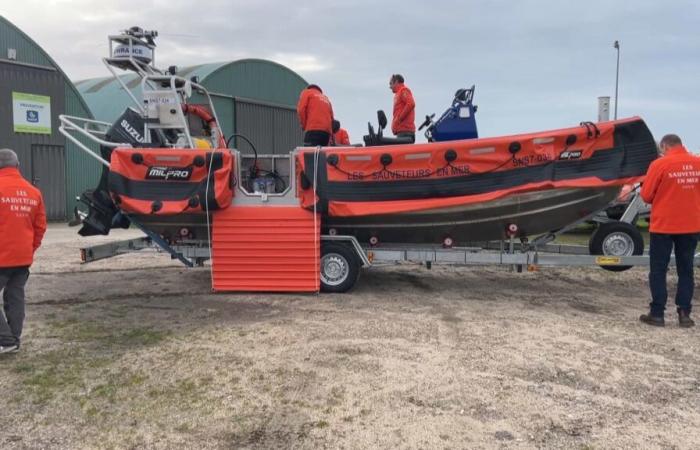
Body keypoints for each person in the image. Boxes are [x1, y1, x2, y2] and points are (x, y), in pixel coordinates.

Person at [639, 134, 700, 328]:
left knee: (658, 269)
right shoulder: (697, 163)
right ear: (681, 145)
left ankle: (657, 313)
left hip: (664, 225)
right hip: (691, 225)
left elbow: (647, 196)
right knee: (686, 269)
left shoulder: (659, 165)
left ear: (664, 146)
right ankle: (684, 313)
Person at [0, 149, 46, 353]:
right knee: (15, 297)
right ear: (17, 166)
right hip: (22, 258)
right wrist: (29, 249)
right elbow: (40, 227)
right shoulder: (33, 192)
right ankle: (14, 338)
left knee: (13, 296)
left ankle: (6, 340)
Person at [389, 74, 416, 142]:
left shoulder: (403, 90)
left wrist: (399, 119)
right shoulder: (398, 94)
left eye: (391, 84)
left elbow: (411, 104)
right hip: (401, 132)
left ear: (396, 82)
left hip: (405, 132)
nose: (390, 87)